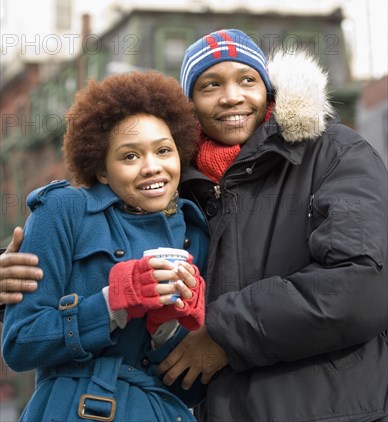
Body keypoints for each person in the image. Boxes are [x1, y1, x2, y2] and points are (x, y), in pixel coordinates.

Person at [2, 28, 388, 422]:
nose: (232, 96)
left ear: (268, 89)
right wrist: (25, 278)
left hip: (334, 409)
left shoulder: (335, 154)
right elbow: (33, 323)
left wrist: (218, 334)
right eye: (210, 85)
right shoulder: (184, 197)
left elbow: (362, 284)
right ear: (190, 108)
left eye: (247, 80)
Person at [1, 71, 209, 422]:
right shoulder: (62, 210)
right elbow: (20, 345)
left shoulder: (194, 230)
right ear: (101, 169)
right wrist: (112, 304)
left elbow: (188, 388)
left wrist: (168, 331)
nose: (152, 167)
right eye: (130, 156)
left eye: (163, 150)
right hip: (75, 409)